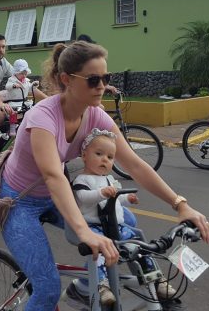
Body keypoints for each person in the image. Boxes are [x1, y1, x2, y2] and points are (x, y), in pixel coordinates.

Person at [0, 40, 209, 310]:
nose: (101, 86)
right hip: (20, 201)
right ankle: (74, 287)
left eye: (106, 78)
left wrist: (180, 204)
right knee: (47, 289)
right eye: (93, 80)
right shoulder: (42, 117)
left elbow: (134, 165)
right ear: (66, 79)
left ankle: (84, 287)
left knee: (125, 223)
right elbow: (53, 176)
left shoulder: (95, 115)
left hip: (56, 195)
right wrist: (83, 231)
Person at [66, 128, 175, 307]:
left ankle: (155, 277)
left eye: (110, 157)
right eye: (99, 154)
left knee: (139, 246)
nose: (104, 159)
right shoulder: (82, 180)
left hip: (116, 226)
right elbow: (83, 198)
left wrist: (127, 199)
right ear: (84, 155)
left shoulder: (109, 179)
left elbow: (115, 199)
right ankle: (102, 286)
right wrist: (101, 193)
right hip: (94, 227)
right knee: (99, 253)